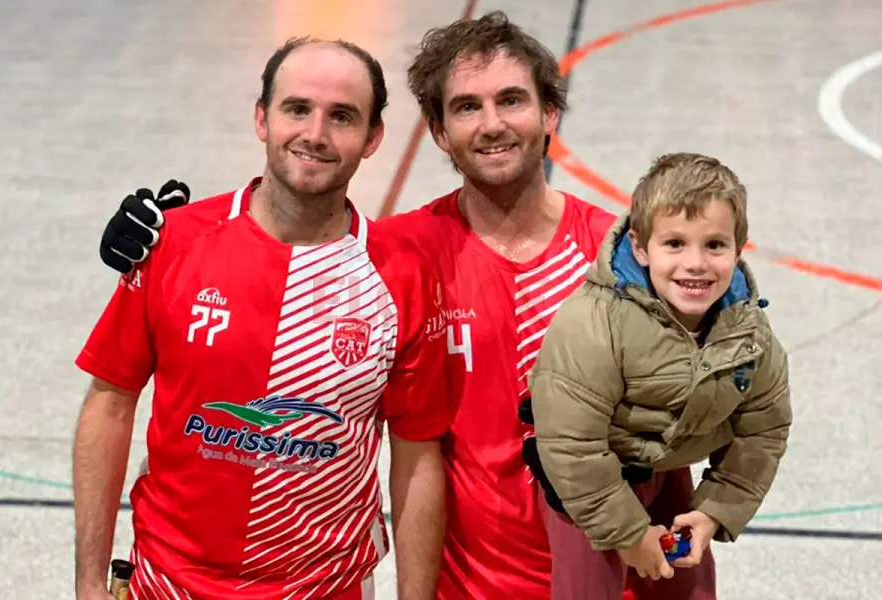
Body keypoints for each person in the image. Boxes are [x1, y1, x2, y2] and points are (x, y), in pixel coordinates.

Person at [92, 11, 716, 600]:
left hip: (622, 580)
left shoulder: (626, 255)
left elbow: (736, 381)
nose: (491, 124)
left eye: (512, 100)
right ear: (439, 132)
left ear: (551, 112)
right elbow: (288, 246)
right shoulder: (397, 256)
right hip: (464, 587)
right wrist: (159, 237)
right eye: (467, 107)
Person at [73, 38, 454, 600]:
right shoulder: (173, 242)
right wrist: (87, 581)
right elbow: (109, 403)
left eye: (342, 116)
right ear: (261, 118)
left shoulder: (401, 278)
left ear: (373, 138)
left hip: (327, 589)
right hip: (168, 585)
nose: (316, 134)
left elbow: (417, 457)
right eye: (297, 109)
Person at [529, 153, 793, 600]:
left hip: (666, 468)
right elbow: (571, 447)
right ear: (639, 246)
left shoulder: (748, 331)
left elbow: (764, 430)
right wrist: (629, 534)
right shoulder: (593, 324)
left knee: (691, 590)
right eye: (674, 244)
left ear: (738, 246)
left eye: (714, 245)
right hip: (589, 478)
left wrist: (713, 511)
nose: (696, 264)